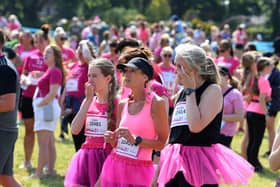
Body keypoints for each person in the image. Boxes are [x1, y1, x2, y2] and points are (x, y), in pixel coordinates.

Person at [156, 44, 253, 187]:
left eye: (180, 66)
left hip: (199, 161)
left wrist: (190, 91)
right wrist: (158, 170)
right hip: (175, 160)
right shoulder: (183, 93)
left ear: (194, 68)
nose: (176, 71)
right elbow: (174, 135)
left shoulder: (212, 90)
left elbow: (195, 126)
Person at [100, 57, 169, 186]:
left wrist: (136, 140)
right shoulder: (122, 104)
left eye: (132, 71)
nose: (127, 74)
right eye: (126, 71)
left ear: (145, 77)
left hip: (140, 170)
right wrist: (112, 138)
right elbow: (118, 143)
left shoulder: (156, 103)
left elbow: (162, 143)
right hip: (115, 165)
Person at [64, 58, 118, 187]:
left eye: (95, 76)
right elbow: (75, 130)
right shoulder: (88, 101)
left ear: (108, 78)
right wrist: (88, 100)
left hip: (107, 157)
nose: (90, 79)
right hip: (87, 157)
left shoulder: (117, 103)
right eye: (89, 75)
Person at [31, 45, 64, 178]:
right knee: (49, 142)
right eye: (44, 52)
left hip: (46, 108)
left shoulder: (55, 71)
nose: (45, 54)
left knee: (43, 143)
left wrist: (39, 104)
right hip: (47, 107)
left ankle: (39, 173)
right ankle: (49, 170)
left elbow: (52, 93)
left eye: (48, 52)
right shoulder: (51, 70)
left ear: (55, 56)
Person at [19, 24, 49, 169]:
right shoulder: (30, 56)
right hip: (28, 96)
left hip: (44, 98)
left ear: (46, 41)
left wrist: (42, 75)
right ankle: (27, 160)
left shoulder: (51, 56)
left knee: (44, 131)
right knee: (29, 129)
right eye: (36, 42)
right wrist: (24, 78)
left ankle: (45, 162)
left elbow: (57, 74)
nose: (38, 44)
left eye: (40, 41)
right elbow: (24, 73)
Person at [60, 40, 95, 151]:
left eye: (82, 48)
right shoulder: (73, 66)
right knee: (76, 141)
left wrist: (85, 47)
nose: (79, 51)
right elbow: (67, 85)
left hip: (83, 107)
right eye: (78, 48)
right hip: (70, 107)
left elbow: (89, 59)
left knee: (83, 142)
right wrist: (62, 102)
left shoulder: (91, 65)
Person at [0, 29, 22, 187]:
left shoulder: (5, 69)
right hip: (5, 131)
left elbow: (8, 104)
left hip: (2, 131)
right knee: (6, 179)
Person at [246, 57, 272, 173]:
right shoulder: (263, 80)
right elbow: (262, 99)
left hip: (250, 109)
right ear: (265, 67)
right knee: (257, 140)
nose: (272, 68)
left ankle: (251, 162)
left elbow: (250, 95)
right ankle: (254, 163)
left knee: (252, 139)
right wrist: (266, 114)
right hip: (258, 112)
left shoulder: (255, 78)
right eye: (270, 66)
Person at [218, 66, 244, 148]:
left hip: (226, 133)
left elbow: (240, 116)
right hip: (212, 130)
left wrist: (219, 117)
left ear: (226, 77)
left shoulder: (235, 94)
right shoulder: (213, 91)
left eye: (217, 76)